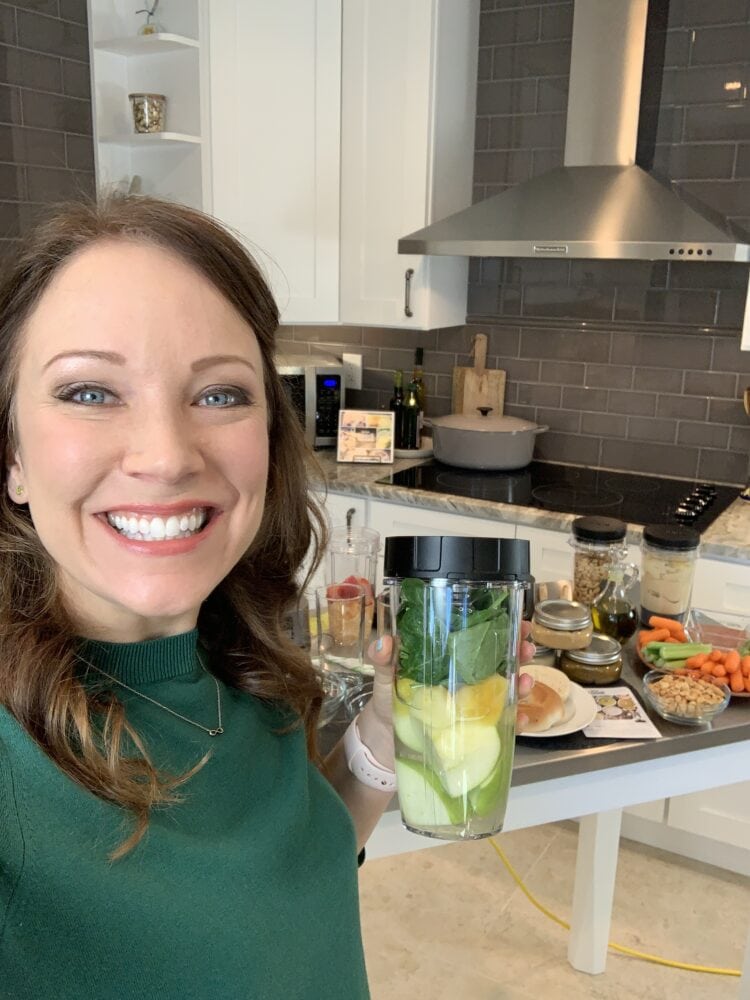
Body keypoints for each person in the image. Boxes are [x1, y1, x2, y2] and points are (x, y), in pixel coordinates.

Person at [0, 195, 534, 999]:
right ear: (11, 454)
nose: (166, 456)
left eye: (219, 394)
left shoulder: (247, 655)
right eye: (88, 392)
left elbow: (302, 865)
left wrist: (386, 734)